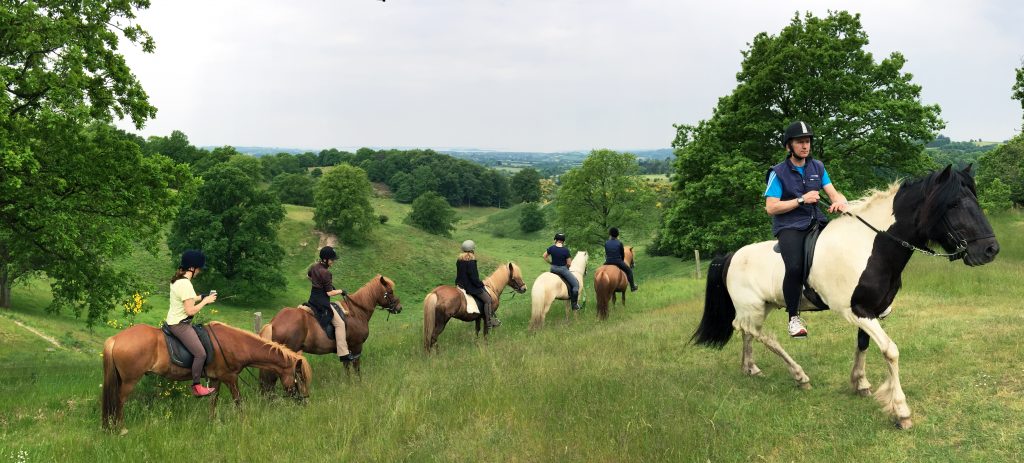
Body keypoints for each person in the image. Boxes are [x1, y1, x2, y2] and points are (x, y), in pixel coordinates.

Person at [764, 121, 849, 338]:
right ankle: (794, 318)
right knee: (794, 268)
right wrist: (801, 199)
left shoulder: (818, 167)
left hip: (816, 222)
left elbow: (834, 193)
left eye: (808, 141)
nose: (805, 146)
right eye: (800, 142)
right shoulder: (778, 172)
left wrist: (840, 203)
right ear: (788, 146)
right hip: (789, 226)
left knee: (845, 249)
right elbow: (771, 207)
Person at [166, 249, 218, 397]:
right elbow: (190, 311)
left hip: (172, 321)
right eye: (199, 268)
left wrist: (201, 296)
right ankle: (196, 386)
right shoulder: (186, 284)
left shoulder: (178, 280)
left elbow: (187, 298)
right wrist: (206, 301)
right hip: (180, 325)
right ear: (192, 268)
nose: (200, 271)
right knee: (200, 354)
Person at [307, 246, 355, 362]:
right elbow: (329, 293)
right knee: (340, 324)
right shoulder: (326, 273)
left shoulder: (314, 267)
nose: (333, 261)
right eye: (332, 259)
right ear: (325, 259)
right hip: (322, 303)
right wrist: (341, 291)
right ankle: (343, 353)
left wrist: (319, 285)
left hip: (312, 300)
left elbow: (309, 276)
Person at [455, 240, 499, 328]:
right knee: (488, 300)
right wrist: (481, 284)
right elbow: (473, 278)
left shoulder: (459, 260)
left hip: (460, 285)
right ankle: (489, 321)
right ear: (472, 250)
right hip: (470, 287)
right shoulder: (471, 262)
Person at [543, 233, 581, 311]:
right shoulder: (565, 250)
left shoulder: (551, 248)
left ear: (555, 240)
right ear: (563, 241)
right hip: (562, 270)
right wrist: (566, 268)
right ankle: (574, 305)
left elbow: (544, 256)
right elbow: (569, 263)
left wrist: (550, 263)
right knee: (575, 284)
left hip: (553, 269)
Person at [604, 227, 637, 292]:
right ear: (617, 234)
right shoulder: (619, 243)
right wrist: (621, 261)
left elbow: (607, 254)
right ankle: (633, 287)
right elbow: (622, 255)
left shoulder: (606, 243)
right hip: (618, 261)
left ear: (610, 234)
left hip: (608, 262)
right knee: (629, 271)